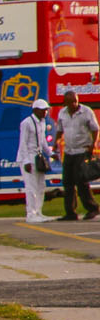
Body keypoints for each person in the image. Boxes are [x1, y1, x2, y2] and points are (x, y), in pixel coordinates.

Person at [53, 88, 99, 221]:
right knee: (67, 181)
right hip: (69, 151)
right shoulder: (62, 113)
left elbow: (95, 129)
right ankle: (70, 212)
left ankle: (92, 208)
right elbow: (60, 130)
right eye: (69, 103)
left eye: (74, 102)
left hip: (82, 150)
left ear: (76, 101)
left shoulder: (86, 112)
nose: (72, 105)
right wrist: (56, 142)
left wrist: (93, 144)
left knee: (81, 180)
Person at [18, 99, 54, 223]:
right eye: (43, 110)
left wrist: (51, 153)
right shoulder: (26, 123)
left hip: (38, 158)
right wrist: (26, 161)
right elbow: (23, 143)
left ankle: (38, 212)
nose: (45, 112)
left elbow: (43, 141)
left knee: (40, 186)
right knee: (31, 187)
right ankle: (31, 214)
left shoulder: (42, 122)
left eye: (46, 110)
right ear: (35, 110)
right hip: (28, 158)